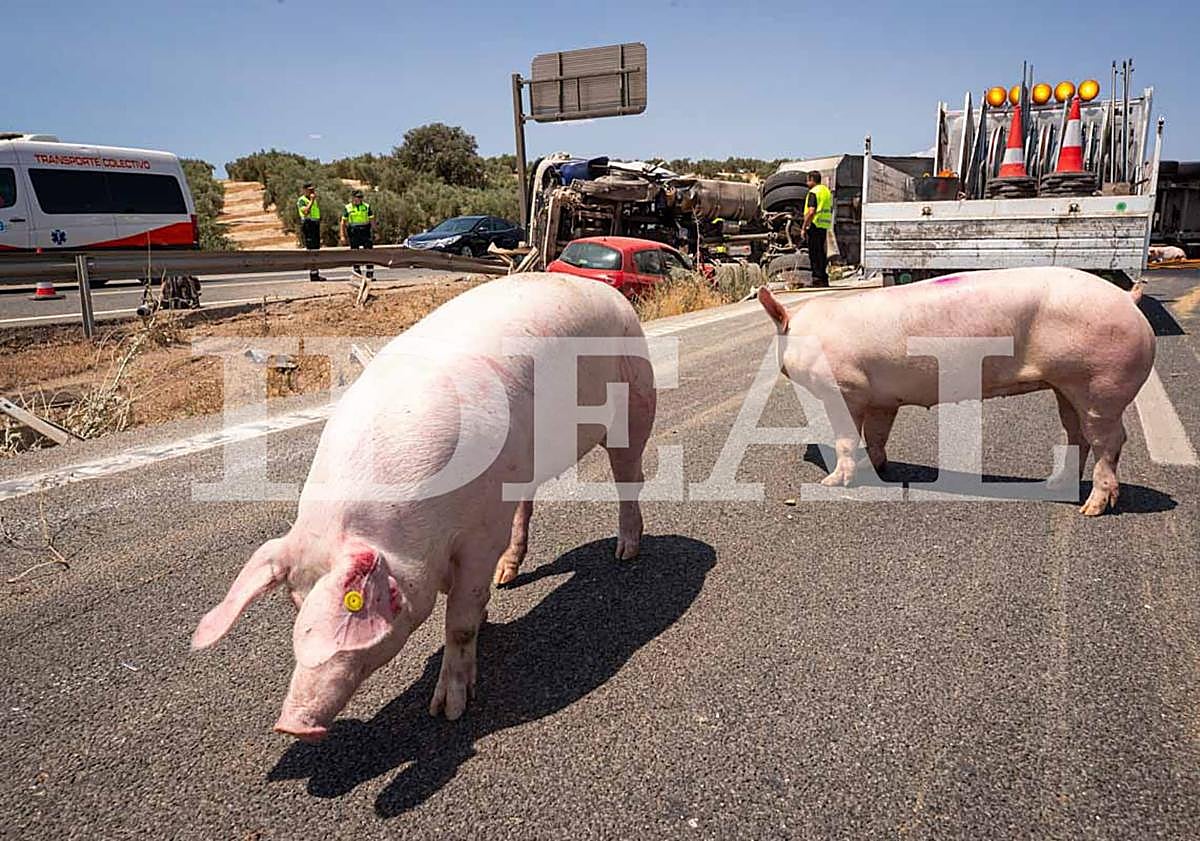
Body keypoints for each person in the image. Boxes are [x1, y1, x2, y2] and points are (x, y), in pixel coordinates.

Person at [801, 170, 833, 288]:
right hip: (823, 225)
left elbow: (811, 211)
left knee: (814, 253)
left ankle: (816, 279)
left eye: (807, 180)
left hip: (814, 224)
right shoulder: (826, 191)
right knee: (821, 253)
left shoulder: (813, 192)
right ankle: (823, 278)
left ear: (812, 180)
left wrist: (804, 227)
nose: (806, 182)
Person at [340, 189, 375, 280]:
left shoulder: (366, 206)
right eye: (358, 197)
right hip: (353, 231)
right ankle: (357, 273)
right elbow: (343, 222)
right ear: (353, 198)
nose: (360, 199)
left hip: (365, 230)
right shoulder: (348, 208)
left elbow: (372, 220)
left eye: (361, 197)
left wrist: (376, 231)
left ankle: (370, 274)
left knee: (368, 251)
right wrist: (342, 236)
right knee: (355, 252)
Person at [297, 182, 325, 282]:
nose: (312, 191)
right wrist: (312, 200)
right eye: (310, 190)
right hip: (308, 224)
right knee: (311, 248)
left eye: (313, 189)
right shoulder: (302, 200)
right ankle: (313, 274)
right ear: (304, 190)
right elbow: (305, 211)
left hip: (315, 224)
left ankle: (315, 274)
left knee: (316, 248)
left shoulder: (313, 200)